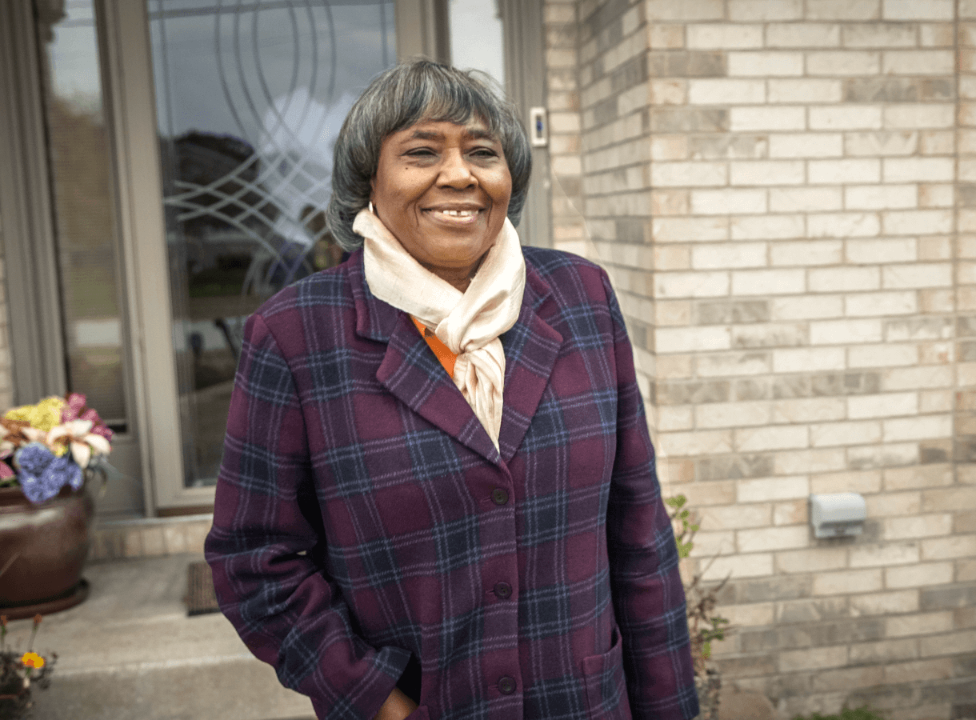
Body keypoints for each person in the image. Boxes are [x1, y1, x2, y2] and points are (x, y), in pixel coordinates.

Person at [205, 59, 698, 720]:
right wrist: (380, 702)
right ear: (368, 182)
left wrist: (670, 708)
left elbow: (638, 529)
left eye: (483, 152)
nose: (460, 174)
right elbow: (253, 562)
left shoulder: (581, 297)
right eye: (421, 152)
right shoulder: (296, 335)